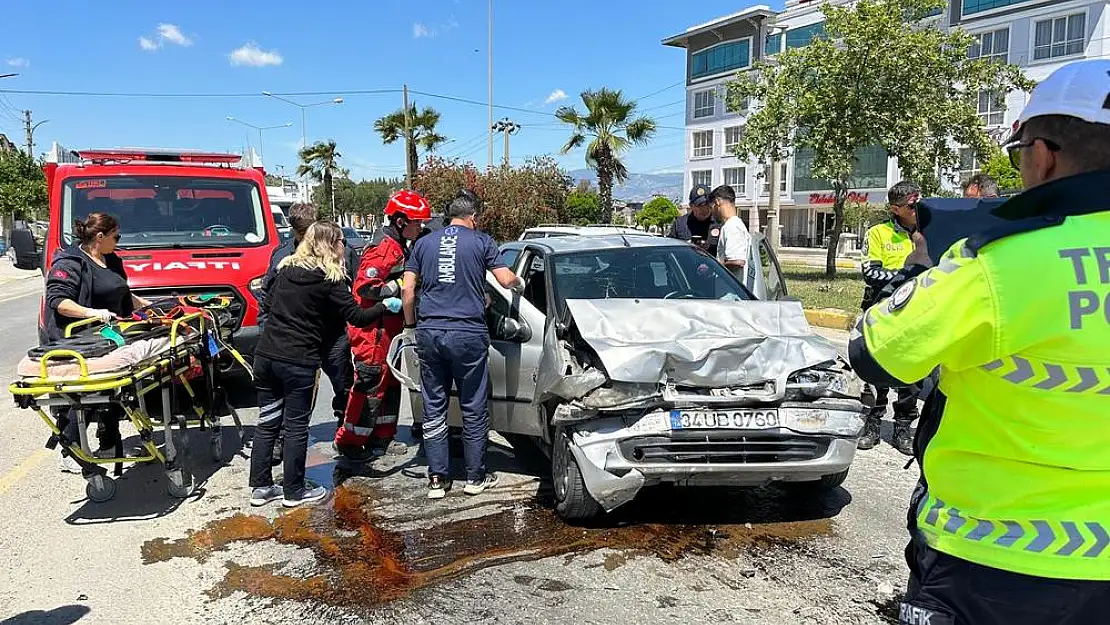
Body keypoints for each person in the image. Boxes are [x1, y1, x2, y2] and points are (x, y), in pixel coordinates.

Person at [849, 59, 1110, 624]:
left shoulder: (999, 263)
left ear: (1043, 155)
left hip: (994, 559)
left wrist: (925, 272)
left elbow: (874, 352)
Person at [248, 221, 401, 508]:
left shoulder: (286, 269)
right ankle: (294, 491)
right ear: (332, 245)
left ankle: (261, 487)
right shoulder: (328, 279)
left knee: (268, 422)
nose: (345, 246)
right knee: (295, 426)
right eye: (342, 241)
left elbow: (267, 306)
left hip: (266, 356)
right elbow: (356, 316)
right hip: (297, 361)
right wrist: (386, 306)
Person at [401, 190, 523, 500]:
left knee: (434, 405)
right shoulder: (481, 241)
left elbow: (409, 291)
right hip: (467, 334)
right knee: (472, 405)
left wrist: (410, 326)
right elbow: (506, 280)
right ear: (473, 217)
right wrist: (520, 283)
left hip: (430, 332)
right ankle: (474, 477)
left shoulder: (423, 244)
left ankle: (437, 479)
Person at [44, 212, 151, 474]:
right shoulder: (70, 262)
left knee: (115, 394)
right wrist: (91, 313)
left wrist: (152, 308)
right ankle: (70, 447)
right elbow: (58, 301)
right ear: (100, 237)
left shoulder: (111, 260)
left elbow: (122, 293)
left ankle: (109, 445)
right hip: (77, 340)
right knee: (85, 397)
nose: (119, 241)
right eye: (116, 236)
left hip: (106, 337)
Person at [336, 190, 431, 461]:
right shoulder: (384, 247)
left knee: (389, 385)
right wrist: (400, 287)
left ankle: (382, 438)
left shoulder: (398, 245)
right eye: (417, 223)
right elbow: (366, 288)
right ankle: (350, 442)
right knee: (370, 384)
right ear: (401, 222)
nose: (420, 227)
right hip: (373, 332)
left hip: (388, 331)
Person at [259, 203, 360, 436]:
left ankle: (346, 431)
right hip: (297, 339)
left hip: (332, 336)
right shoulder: (284, 256)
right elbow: (267, 295)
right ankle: (283, 437)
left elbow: (357, 288)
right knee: (291, 393)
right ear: (294, 230)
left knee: (344, 385)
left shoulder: (342, 251)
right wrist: (268, 328)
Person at [856, 181, 922, 454]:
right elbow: (871, 273)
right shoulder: (878, 233)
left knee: (912, 373)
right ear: (896, 208)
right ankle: (872, 422)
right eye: (910, 205)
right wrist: (907, 277)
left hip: (918, 314)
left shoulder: (928, 232)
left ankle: (903, 425)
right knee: (878, 371)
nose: (916, 208)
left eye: (918, 201)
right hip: (884, 313)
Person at [709, 185, 752, 287]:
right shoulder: (734, 225)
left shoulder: (732, 227)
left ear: (717, 202)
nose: (712, 212)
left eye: (711, 207)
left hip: (731, 296)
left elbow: (737, 262)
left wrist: (713, 265)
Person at [667, 184, 722, 255]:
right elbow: (670, 250)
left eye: (707, 204)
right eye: (700, 205)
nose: (705, 209)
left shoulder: (719, 223)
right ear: (691, 206)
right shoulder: (680, 224)